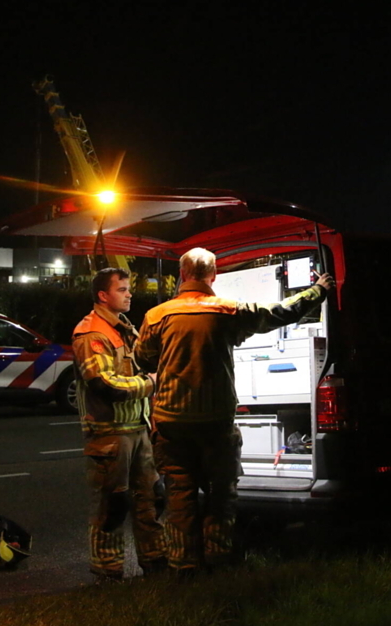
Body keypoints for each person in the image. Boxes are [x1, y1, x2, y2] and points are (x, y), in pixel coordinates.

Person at [135, 248, 333, 573]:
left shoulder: (157, 316)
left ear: (183, 275)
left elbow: (143, 358)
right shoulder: (228, 311)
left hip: (171, 422)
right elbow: (281, 313)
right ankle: (217, 561)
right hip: (215, 421)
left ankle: (183, 566)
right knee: (220, 493)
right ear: (212, 275)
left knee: (180, 495)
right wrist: (318, 290)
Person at [71, 267, 167, 582]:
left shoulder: (124, 328)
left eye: (128, 289)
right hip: (109, 435)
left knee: (151, 500)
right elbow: (104, 384)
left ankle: (156, 565)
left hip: (137, 431)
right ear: (103, 295)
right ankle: (108, 575)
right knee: (111, 509)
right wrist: (149, 384)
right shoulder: (92, 333)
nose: (129, 294)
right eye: (122, 289)